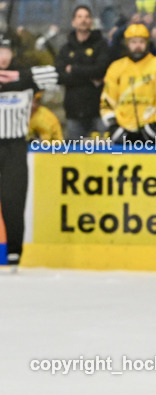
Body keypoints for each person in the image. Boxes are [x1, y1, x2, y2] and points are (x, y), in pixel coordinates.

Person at [0, 34, 57, 267]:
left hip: (14, 145)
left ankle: (14, 251)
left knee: (13, 200)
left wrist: (20, 77)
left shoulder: (25, 76)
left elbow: (57, 73)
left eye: (6, 51)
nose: (2, 56)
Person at [100, 23, 156, 143]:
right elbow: (107, 99)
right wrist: (113, 125)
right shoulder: (116, 67)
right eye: (133, 42)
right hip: (123, 131)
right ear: (126, 44)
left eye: (141, 42)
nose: (137, 46)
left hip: (153, 132)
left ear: (147, 43)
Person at [55, 5, 111, 139]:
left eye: (87, 17)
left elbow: (101, 70)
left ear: (91, 21)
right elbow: (60, 77)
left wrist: (74, 69)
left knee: (105, 154)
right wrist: (90, 76)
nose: (83, 20)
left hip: (99, 111)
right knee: (74, 157)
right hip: (74, 112)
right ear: (73, 22)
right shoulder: (65, 49)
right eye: (79, 17)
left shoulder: (100, 45)